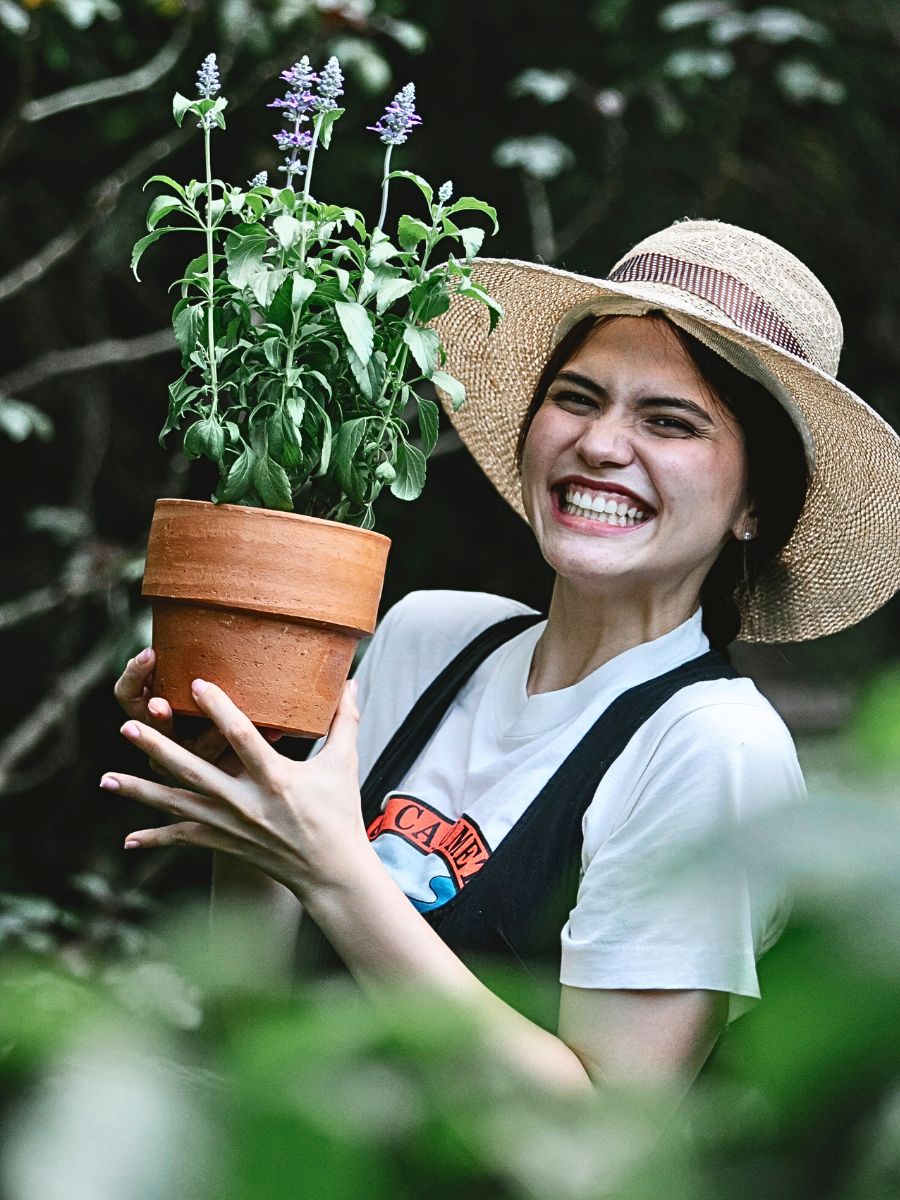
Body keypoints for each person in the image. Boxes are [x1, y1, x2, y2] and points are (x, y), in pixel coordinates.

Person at [107, 219, 900, 1097]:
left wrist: (334, 870)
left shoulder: (711, 750)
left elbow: (600, 1135)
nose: (601, 444)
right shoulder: (430, 636)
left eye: (669, 421)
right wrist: (253, 781)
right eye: (577, 397)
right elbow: (253, 1009)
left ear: (755, 502)